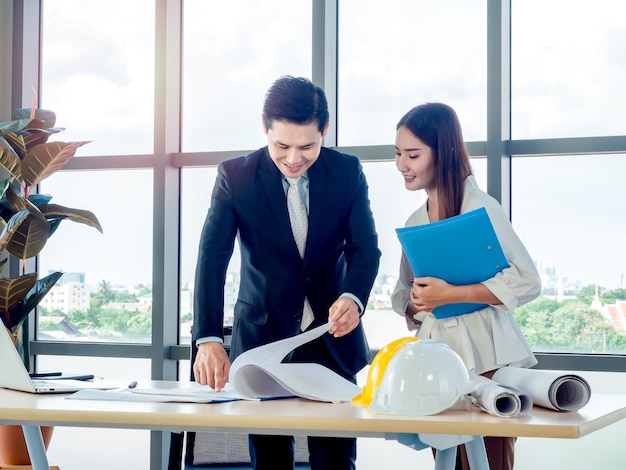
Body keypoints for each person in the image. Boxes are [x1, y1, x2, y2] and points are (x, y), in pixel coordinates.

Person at [192, 75, 381, 470]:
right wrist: (208, 338)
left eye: (307, 146)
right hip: (263, 339)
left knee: (336, 461)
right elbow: (212, 259)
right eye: (282, 145)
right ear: (265, 129)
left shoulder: (347, 172)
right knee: (270, 461)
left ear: (324, 131)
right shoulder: (235, 175)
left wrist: (353, 297)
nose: (294, 158)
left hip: (330, 338)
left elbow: (364, 247)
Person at [390, 102, 541, 470]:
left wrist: (452, 294)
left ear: (443, 153)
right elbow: (400, 294)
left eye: (412, 154)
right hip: (437, 358)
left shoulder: (481, 207)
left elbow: (527, 280)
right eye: (398, 154)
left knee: (491, 461)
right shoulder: (415, 220)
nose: (401, 165)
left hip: (488, 355)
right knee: (445, 457)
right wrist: (417, 301)